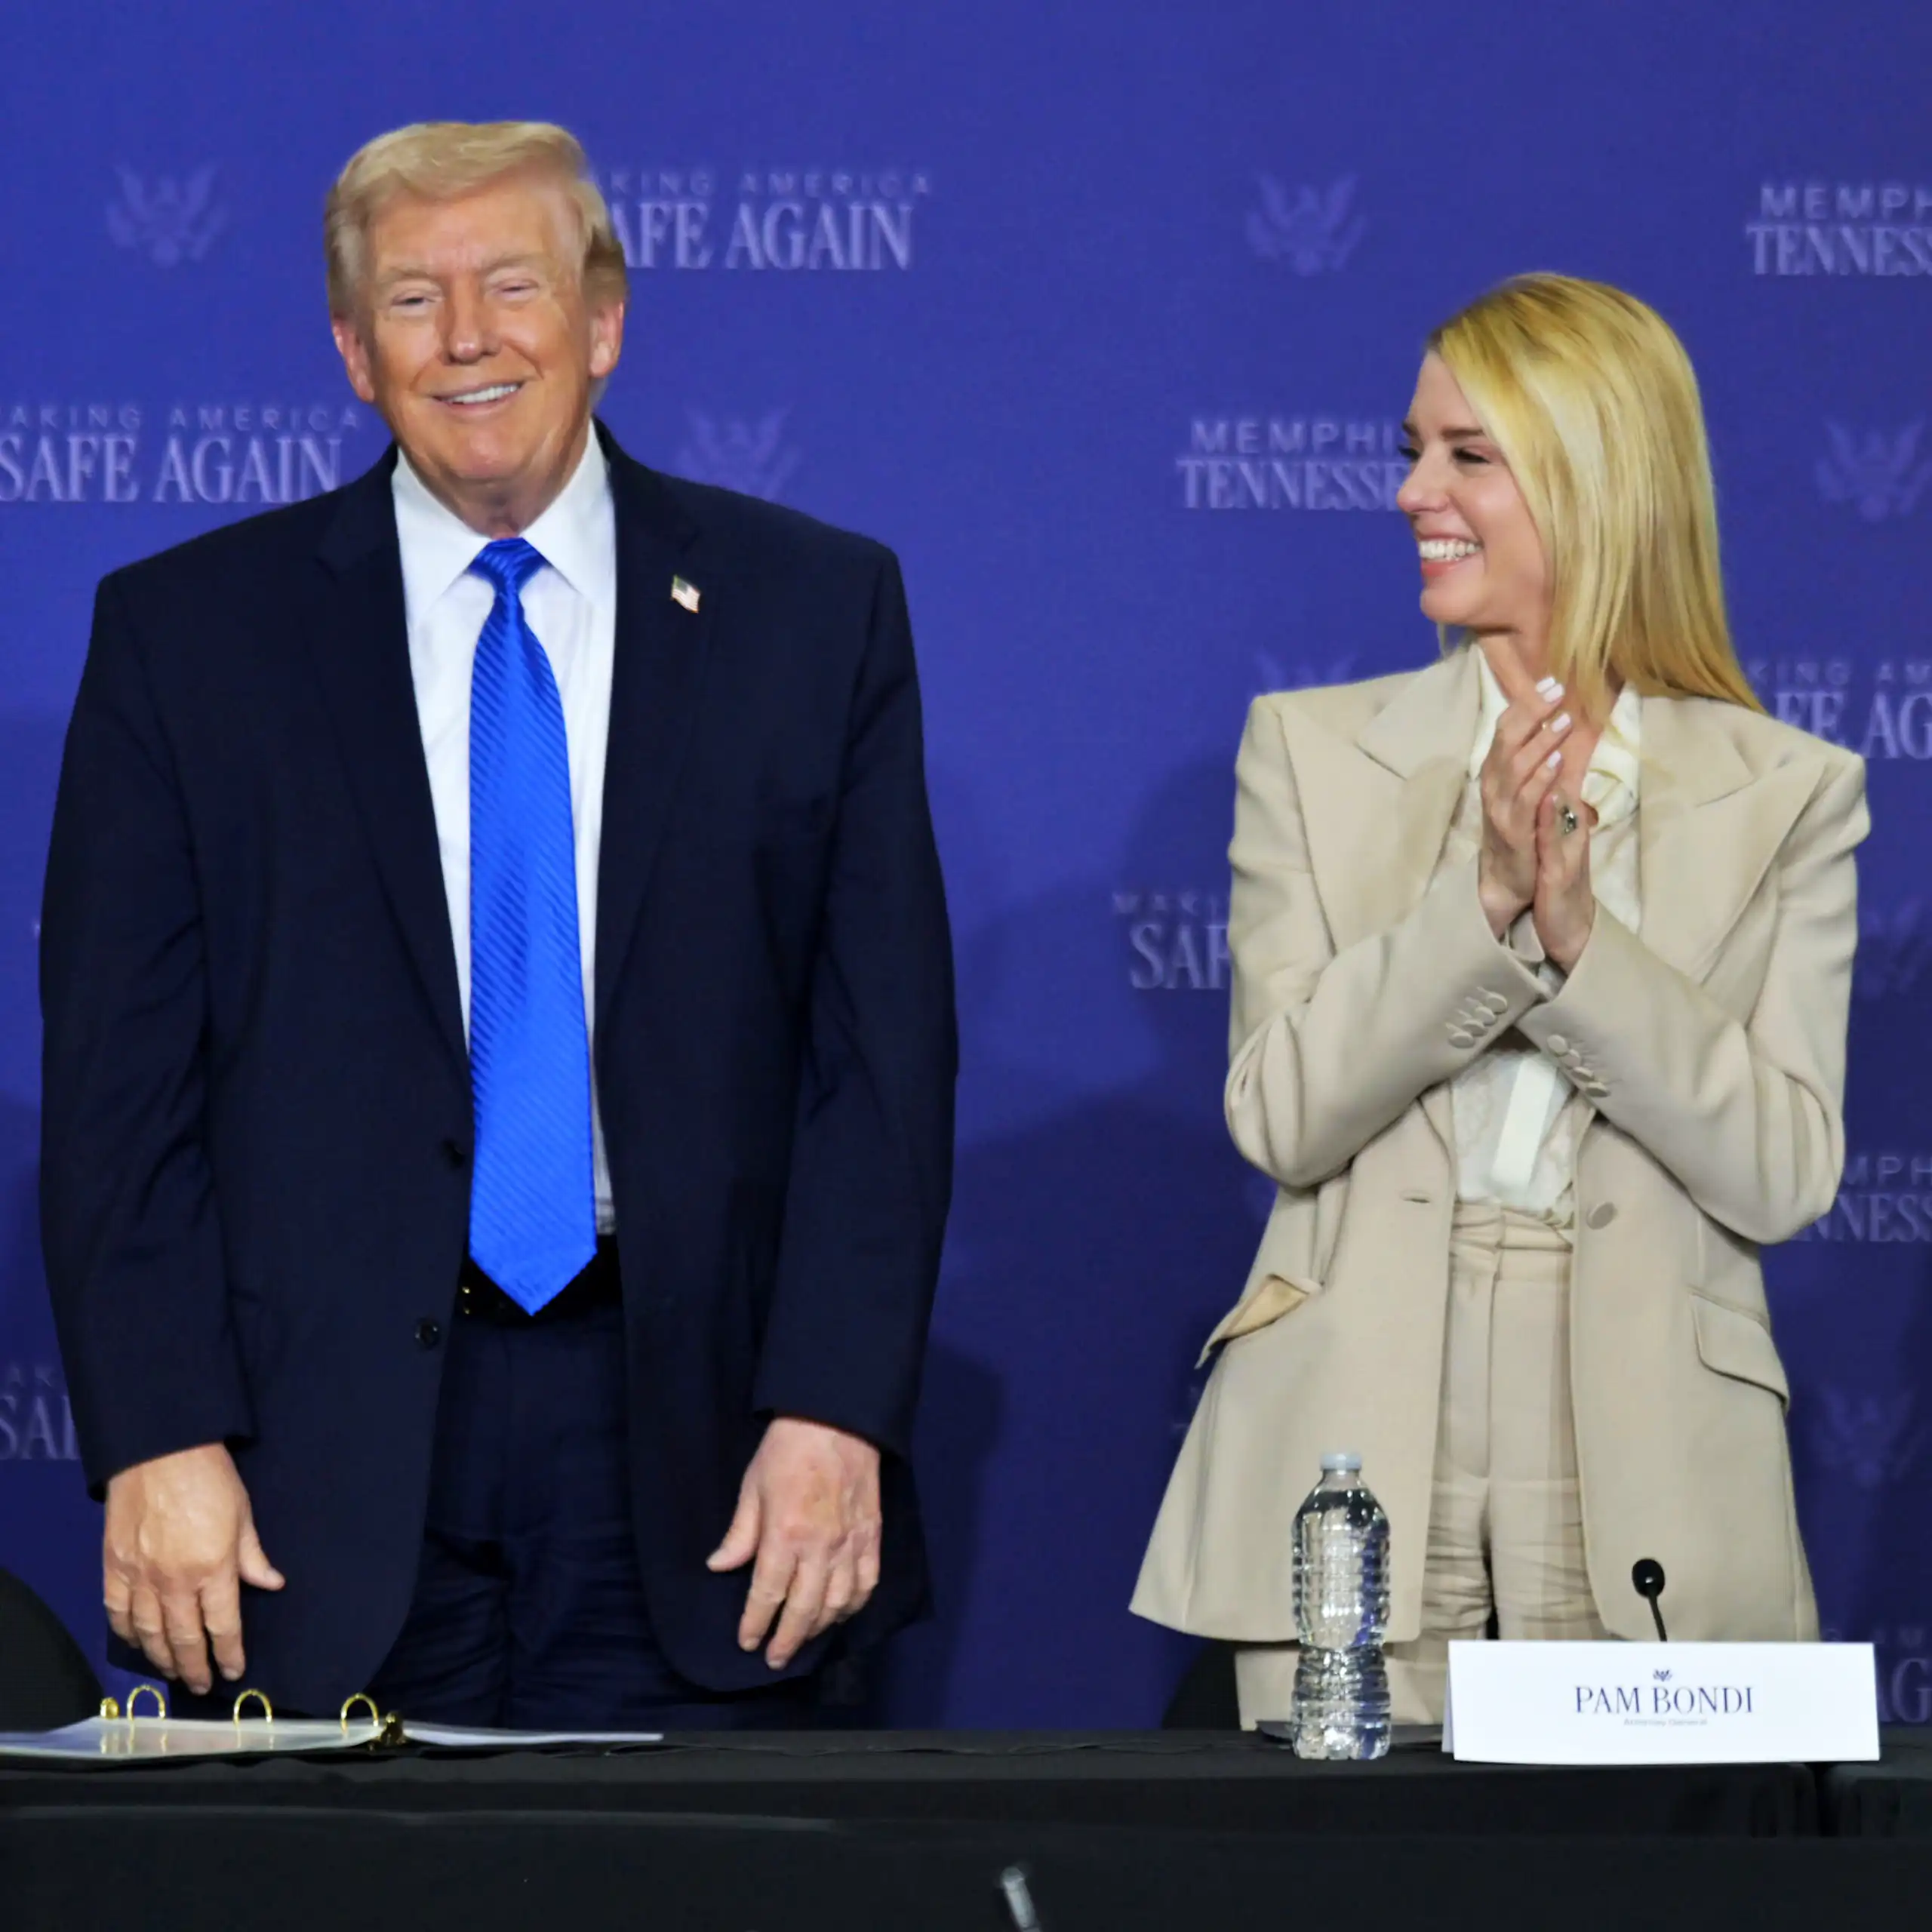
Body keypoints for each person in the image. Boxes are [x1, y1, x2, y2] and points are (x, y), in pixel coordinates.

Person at [41, 121, 956, 1728]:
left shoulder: (811, 612)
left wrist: (832, 1409)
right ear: (349, 349)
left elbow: (878, 1065)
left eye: (511, 285)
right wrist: (155, 1434)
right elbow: (121, 1096)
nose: (467, 337)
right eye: (411, 299)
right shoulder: (187, 638)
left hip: (702, 1467)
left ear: (602, 321)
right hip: (304, 1479)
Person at [1131, 273, 1866, 1727]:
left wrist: (1590, 953)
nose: (1413, 492)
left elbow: (1785, 1170)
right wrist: (1475, 913)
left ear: (1597, 476)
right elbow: (1280, 1115)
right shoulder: (1311, 752)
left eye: (1467, 455)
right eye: (1415, 449)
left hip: (1645, 1452)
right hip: (1355, 1443)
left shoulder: (1788, 794)